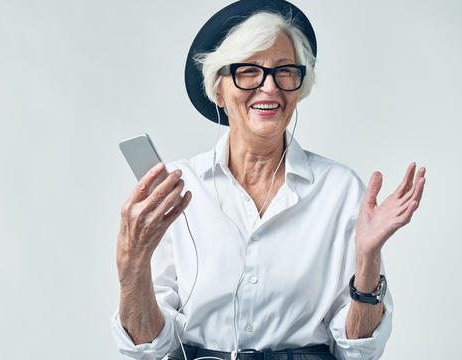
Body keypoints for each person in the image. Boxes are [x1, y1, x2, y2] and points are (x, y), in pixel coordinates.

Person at [111, 1, 426, 359]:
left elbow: (358, 352)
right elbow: (149, 349)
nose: (269, 87)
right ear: (218, 90)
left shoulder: (338, 190)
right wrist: (131, 266)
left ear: (299, 86)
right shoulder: (178, 191)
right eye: (248, 71)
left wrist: (368, 260)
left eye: (284, 71)